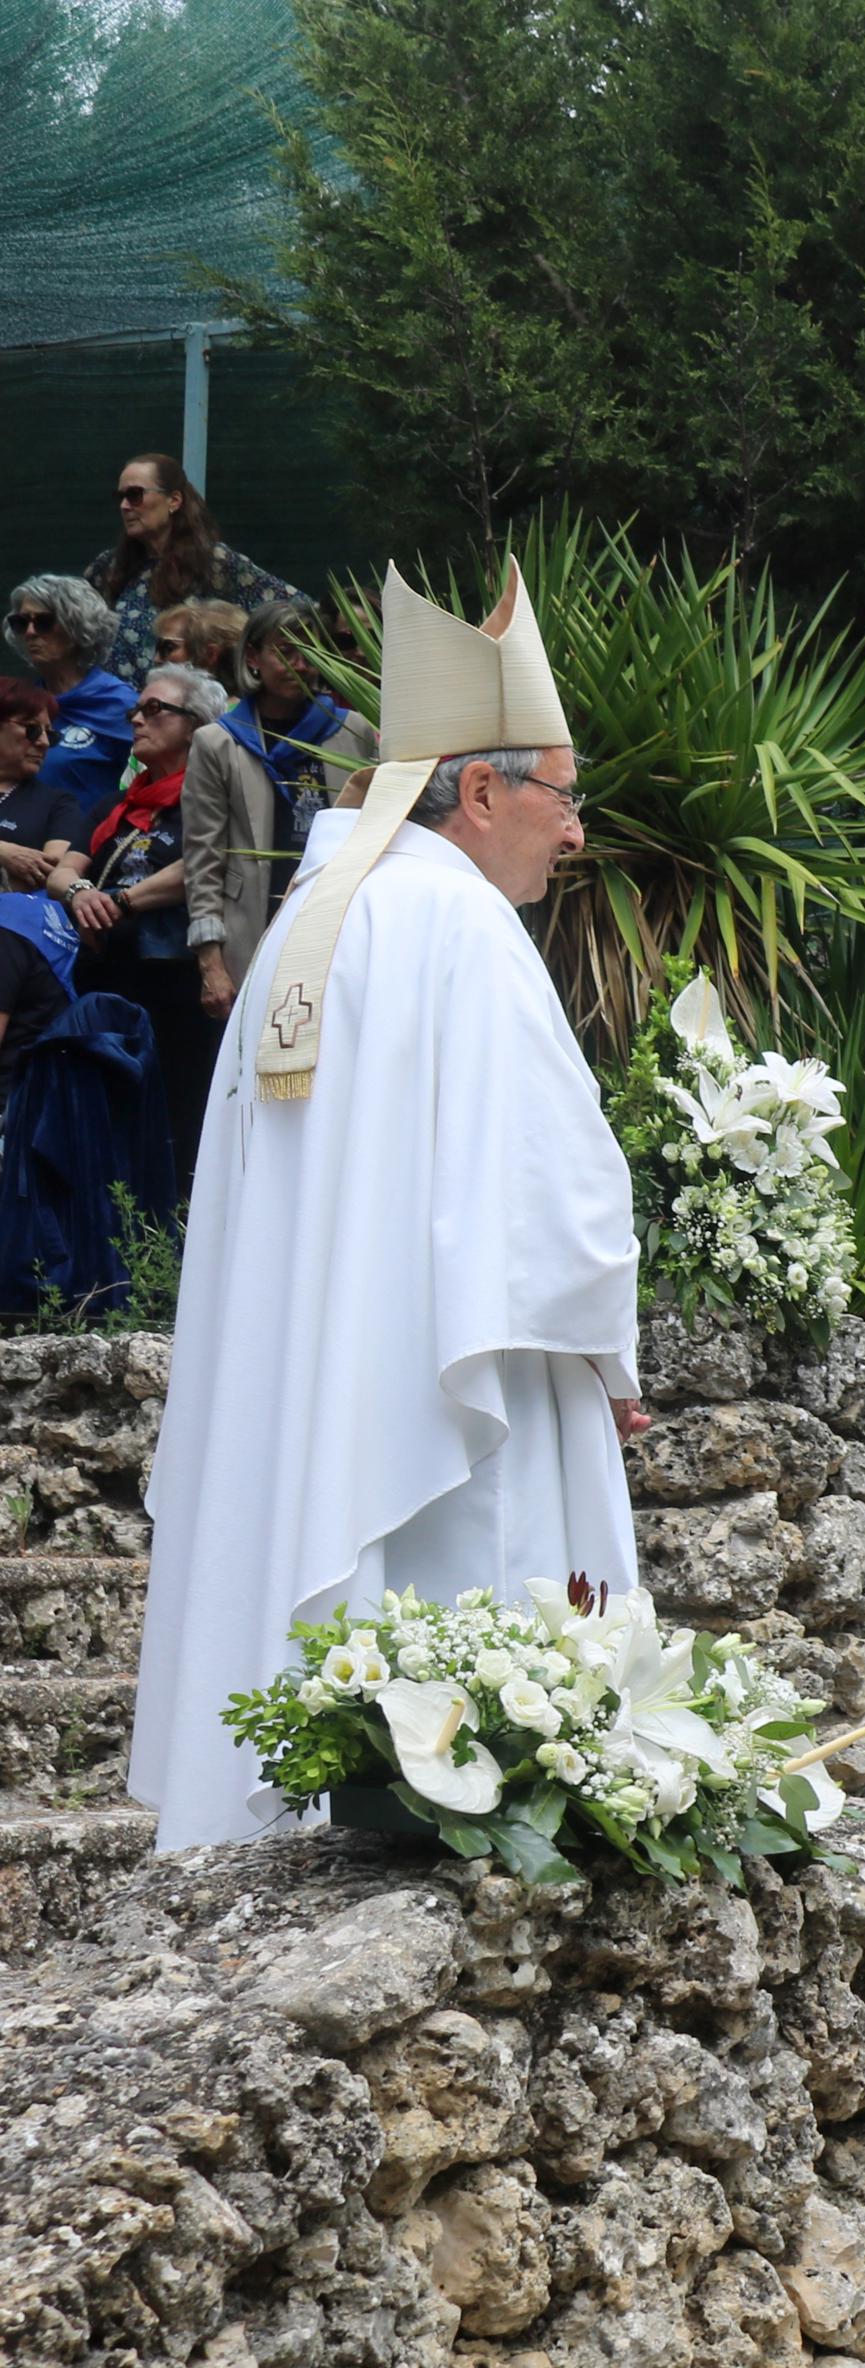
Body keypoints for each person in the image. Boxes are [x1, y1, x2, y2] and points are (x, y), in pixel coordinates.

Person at [130, 558, 647, 1848]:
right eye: (562, 800)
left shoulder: (311, 924)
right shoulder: (464, 930)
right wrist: (613, 1357)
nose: (574, 834)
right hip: (452, 1387)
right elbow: (560, 1188)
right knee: (476, 1629)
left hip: (310, 1386)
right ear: (480, 788)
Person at [51, 664, 255, 1218]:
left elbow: (203, 866)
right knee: (115, 1105)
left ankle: (181, 1230)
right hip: (112, 973)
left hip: (178, 975)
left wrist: (120, 901)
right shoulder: (122, 801)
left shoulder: (210, 793)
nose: (137, 719)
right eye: (134, 711)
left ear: (197, 726)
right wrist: (81, 894)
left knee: (180, 1106)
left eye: (154, 709)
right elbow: (63, 869)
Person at [84, 453, 303, 684]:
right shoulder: (108, 567)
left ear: (174, 500)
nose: (124, 506)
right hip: (119, 711)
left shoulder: (215, 562)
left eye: (134, 495)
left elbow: (300, 611)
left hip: (191, 708)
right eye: (120, 497)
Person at [234, 599, 377, 833]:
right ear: (252, 657)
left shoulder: (353, 730)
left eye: (309, 651)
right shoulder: (221, 742)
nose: (300, 665)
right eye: (285, 652)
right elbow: (207, 857)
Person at [10, 574, 135, 814]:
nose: (30, 632)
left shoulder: (120, 703)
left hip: (90, 842)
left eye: (43, 622)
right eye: (21, 622)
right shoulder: (23, 703)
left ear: (76, 627)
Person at [0, 678, 92, 976]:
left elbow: (46, 873)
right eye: (31, 729)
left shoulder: (57, 803)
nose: (42, 742)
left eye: (49, 735)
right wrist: (5, 853)